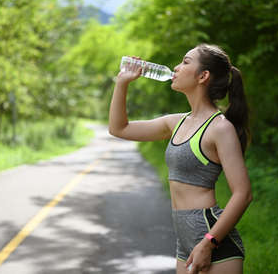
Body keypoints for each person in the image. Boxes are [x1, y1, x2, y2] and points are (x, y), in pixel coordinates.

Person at [108, 43, 253, 274]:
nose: (175, 67)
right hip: (184, 241)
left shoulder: (219, 128)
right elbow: (119, 128)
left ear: (203, 76)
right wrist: (122, 83)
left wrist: (208, 243)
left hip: (212, 241)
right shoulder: (177, 122)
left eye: (185, 62)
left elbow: (243, 194)